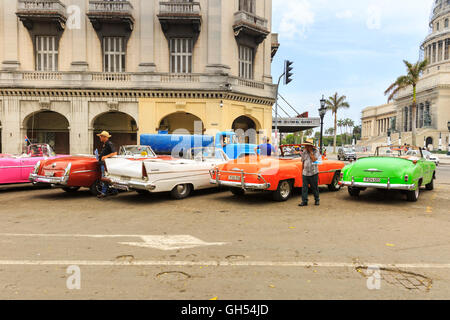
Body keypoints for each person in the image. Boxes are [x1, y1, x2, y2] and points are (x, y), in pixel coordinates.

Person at [299, 139, 321, 207]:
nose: (306, 147)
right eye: (305, 145)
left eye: (307, 146)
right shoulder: (304, 152)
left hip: (314, 172)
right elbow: (302, 161)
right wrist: (302, 171)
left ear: (311, 146)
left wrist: (311, 152)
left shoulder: (316, 151)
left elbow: (314, 160)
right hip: (305, 173)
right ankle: (304, 201)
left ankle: (317, 199)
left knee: (314, 187)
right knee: (304, 188)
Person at [97, 131, 117, 198]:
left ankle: (104, 192)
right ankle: (114, 191)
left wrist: (106, 156)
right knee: (107, 178)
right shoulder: (105, 144)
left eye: (101, 136)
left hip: (105, 164)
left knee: (105, 178)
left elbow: (114, 153)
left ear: (105, 137)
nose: (100, 137)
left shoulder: (109, 144)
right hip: (104, 163)